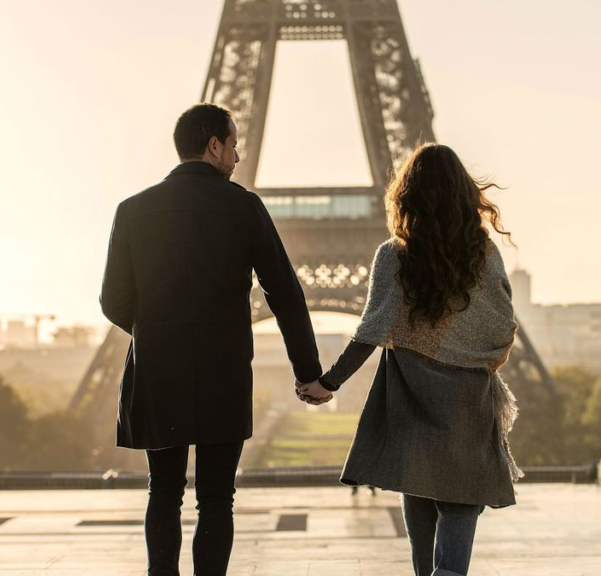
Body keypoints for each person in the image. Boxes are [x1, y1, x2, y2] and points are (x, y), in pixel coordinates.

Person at [99, 103, 323, 576]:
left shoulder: (132, 210)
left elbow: (112, 300)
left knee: (163, 491)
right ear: (214, 144)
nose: (238, 156)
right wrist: (309, 372)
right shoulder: (243, 207)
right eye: (234, 144)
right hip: (222, 371)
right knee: (217, 498)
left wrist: (157, 332)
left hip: (158, 372)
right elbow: (284, 291)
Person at [296, 143, 522, 576]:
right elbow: (501, 322)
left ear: (407, 195)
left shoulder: (394, 254)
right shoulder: (484, 254)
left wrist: (329, 382)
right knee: (460, 500)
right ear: (461, 192)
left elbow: (373, 329)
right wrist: (471, 357)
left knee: (416, 491)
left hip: (411, 391)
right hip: (468, 396)